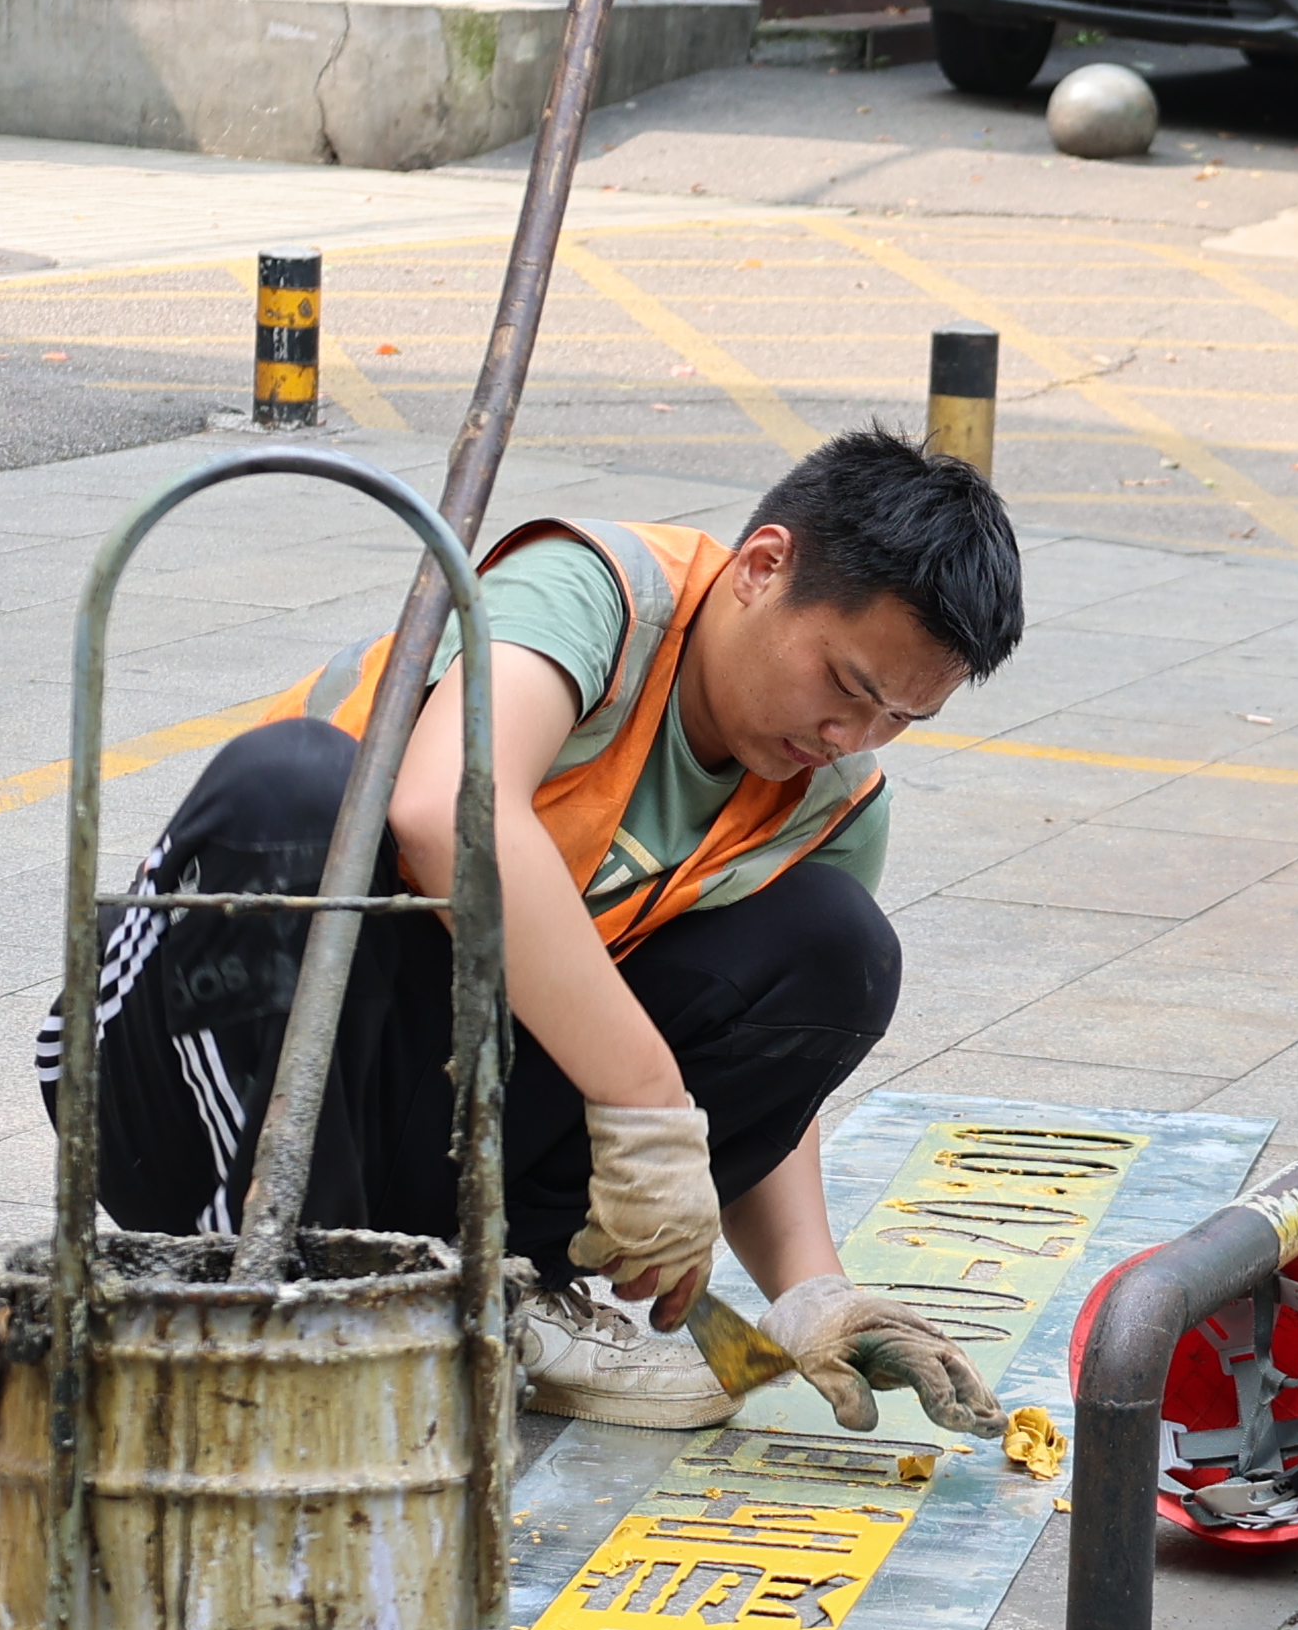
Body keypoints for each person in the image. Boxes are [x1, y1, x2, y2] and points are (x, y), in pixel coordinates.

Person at [56, 430, 1022, 1435]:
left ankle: (491, 1290)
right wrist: (645, 1096)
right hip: (194, 1077)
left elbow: (769, 1086)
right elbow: (443, 812)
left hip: (440, 1124)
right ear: (763, 567)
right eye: (851, 686)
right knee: (293, 784)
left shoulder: (831, 799)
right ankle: (283, 1293)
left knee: (839, 947)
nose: (852, 738)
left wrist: (813, 1292)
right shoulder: (594, 591)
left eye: (900, 718)